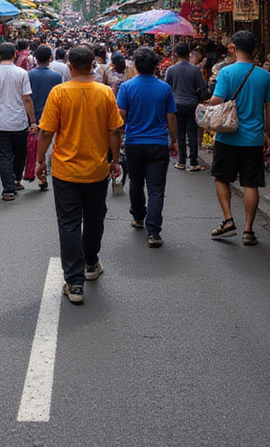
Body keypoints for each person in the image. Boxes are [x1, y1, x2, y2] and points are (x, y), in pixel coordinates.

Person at [36, 44, 123, 304]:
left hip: (65, 171)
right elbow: (114, 130)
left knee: (69, 223)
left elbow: (46, 131)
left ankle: (74, 283)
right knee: (95, 218)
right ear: (93, 65)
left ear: (70, 66)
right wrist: (115, 160)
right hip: (97, 170)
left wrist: (39, 161)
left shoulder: (59, 92)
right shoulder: (105, 93)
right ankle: (91, 262)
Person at [206, 30, 270, 245]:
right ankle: (248, 230)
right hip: (253, 137)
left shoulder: (226, 72)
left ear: (234, 48)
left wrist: (206, 103)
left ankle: (228, 219)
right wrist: (266, 132)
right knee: (250, 183)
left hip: (227, 136)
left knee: (221, 177)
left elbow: (218, 100)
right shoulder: (264, 75)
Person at [117, 47, 177, 247]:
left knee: (136, 182)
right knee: (156, 188)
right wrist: (174, 141)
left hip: (134, 142)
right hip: (158, 143)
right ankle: (154, 231)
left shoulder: (126, 87)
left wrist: (118, 138)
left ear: (135, 64)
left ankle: (138, 216)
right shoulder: (164, 88)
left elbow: (121, 115)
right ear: (156, 66)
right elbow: (171, 117)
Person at [0, 42, 37, 201]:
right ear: (15, 54)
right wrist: (33, 121)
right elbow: (27, 99)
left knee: (4, 156)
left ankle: (8, 189)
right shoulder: (22, 73)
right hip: (19, 121)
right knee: (20, 153)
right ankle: (16, 179)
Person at [165, 41, 207, 171]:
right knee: (192, 133)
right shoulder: (195, 69)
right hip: (192, 105)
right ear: (188, 53)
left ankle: (181, 161)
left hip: (176, 105)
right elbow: (202, 87)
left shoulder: (171, 70)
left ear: (176, 54)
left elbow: (166, 88)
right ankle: (193, 162)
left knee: (180, 133)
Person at [28, 45, 63, 190]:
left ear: (35, 58)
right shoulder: (57, 77)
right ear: (50, 58)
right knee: (50, 147)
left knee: (35, 146)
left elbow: (27, 97)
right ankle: (45, 172)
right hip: (52, 116)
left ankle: (39, 172)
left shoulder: (29, 75)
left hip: (33, 115)